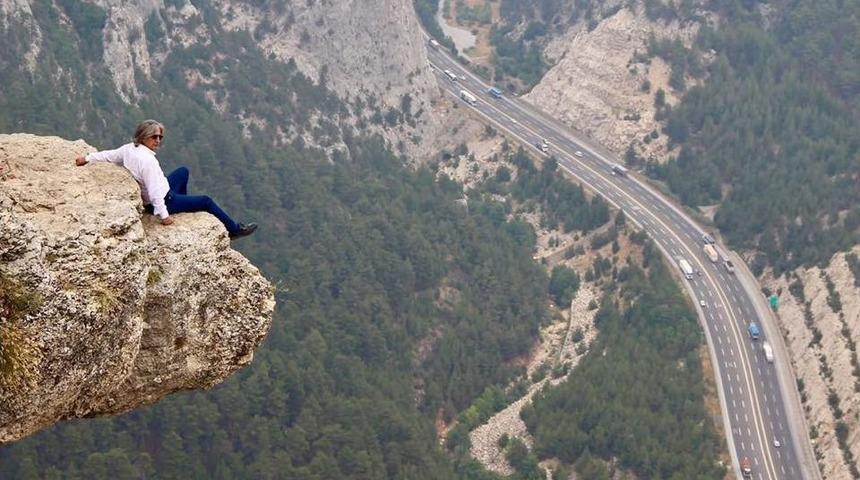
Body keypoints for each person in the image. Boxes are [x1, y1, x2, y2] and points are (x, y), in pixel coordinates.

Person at [75, 119, 257, 239]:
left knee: (183, 171)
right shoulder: (148, 161)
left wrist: (88, 158)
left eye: (160, 136)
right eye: (154, 137)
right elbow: (155, 192)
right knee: (206, 201)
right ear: (143, 136)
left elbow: (110, 155)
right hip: (165, 200)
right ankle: (234, 230)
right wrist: (164, 216)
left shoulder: (130, 148)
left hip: (165, 191)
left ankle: (185, 205)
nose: (158, 140)